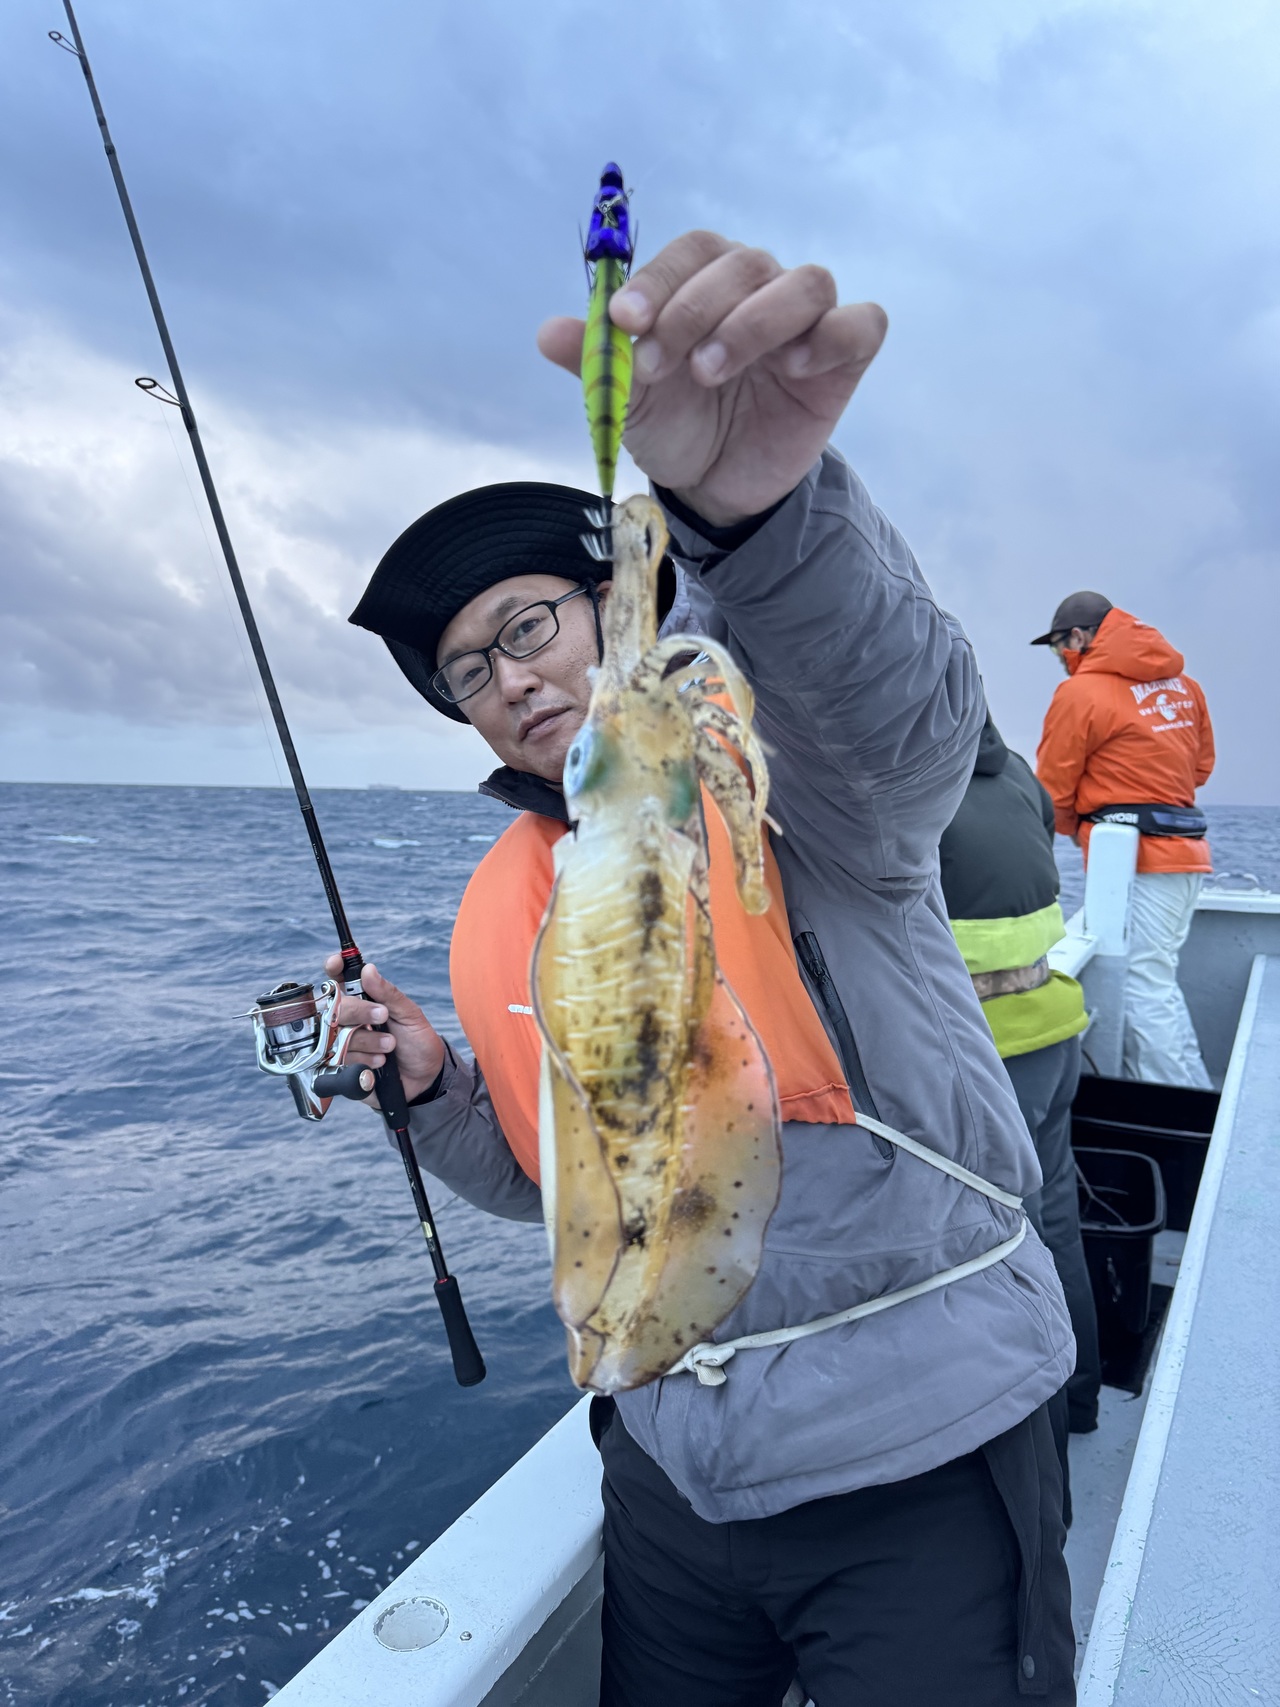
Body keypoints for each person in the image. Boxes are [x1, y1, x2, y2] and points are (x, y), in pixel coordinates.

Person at [334, 231, 1077, 1705]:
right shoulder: (528, 893)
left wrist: (760, 517)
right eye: (470, 672)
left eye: (526, 625)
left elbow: (899, 719)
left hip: (915, 1446)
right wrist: (434, 1096)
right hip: (673, 1468)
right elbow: (569, 1182)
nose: (510, 678)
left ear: (618, 607)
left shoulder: (798, 778)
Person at [939, 710, 1102, 1459]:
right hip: (1052, 1029)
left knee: (1009, 1257)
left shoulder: (908, 784)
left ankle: (1043, 1458)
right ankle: (1081, 1400)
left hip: (987, 1051)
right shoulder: (1017, 774)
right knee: (1056, 1227)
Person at [1032, 592, 1215, 1088]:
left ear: (1078, 637)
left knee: (1141, 987)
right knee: (1156, 979)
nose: (1059, 658)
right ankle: (1194, 1090)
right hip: (1186, 857)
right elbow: (1199, 769)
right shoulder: (1187, 686)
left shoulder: (1080, 693)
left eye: (1058, 646)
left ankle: (1181, 1104)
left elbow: (1053, 788)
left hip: (1136, 864)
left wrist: (1074, 826)